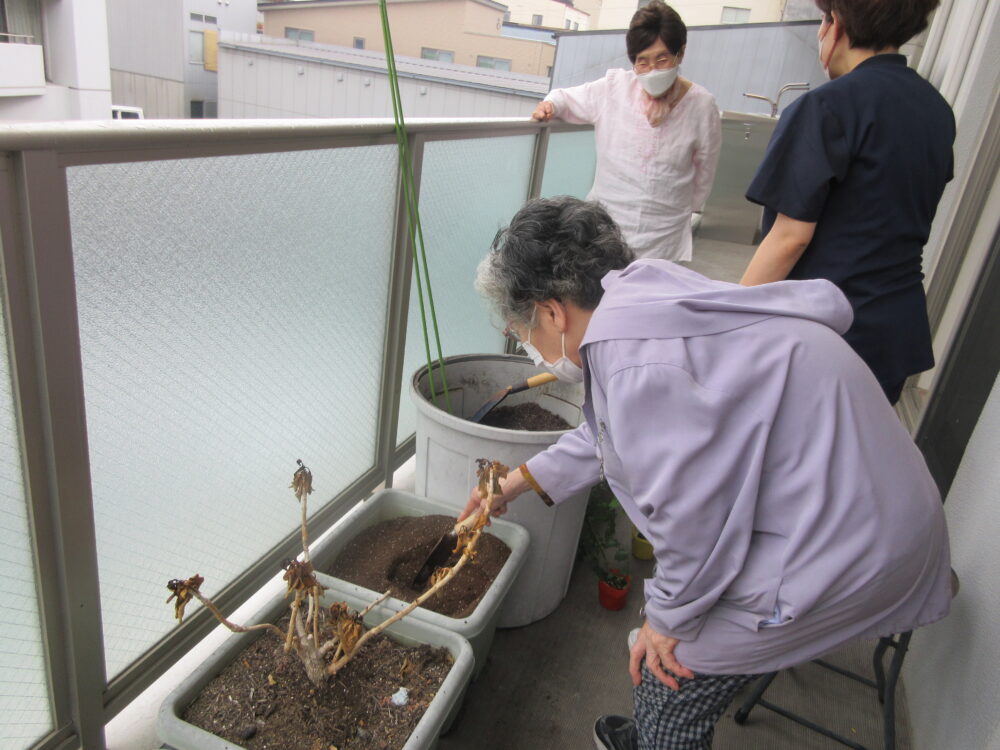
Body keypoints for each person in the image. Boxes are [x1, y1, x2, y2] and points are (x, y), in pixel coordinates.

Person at [463, 196, 951, 750]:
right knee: (668, 637)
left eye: (524, 333)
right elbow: (612, 437)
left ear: (553, 312)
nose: (531, 350)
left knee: (664, 672)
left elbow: (696, 525)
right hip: (859, 501)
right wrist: (513, 484)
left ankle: (661, 733)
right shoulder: (640, 294)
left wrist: (666, 620)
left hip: (858, 544)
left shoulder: (641, 365)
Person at [741, 0, 954, 405]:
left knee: (801, 458)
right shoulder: (936, 110)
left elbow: (789, 239)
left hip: (831, 332)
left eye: (823, 20)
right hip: (895, 329)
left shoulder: (827, 107)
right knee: (856, 458)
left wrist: (728, 321)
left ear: (836, 23)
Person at [532, 1, 721, 263]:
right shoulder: (614, 88)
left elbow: (705, 171)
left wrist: (685, 210)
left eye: (662, 59)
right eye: (642, 62)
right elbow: (566, 98)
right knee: (598, 298)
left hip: (664, 236)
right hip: (605, 230)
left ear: (681, 54)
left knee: (649, 299)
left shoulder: (701, 104)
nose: (652, 70)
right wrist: (550, 105)